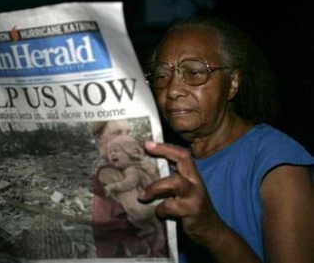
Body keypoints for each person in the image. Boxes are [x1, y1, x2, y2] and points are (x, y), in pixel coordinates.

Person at [139, 16, 314, 262]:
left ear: (232, 84)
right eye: (161, 76)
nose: (173, 89)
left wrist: (211, 231)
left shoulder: (276, 161)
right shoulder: (156, 160)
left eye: (194, 72)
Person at [91, 119, 166, 257]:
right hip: (125, 248)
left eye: (128, 132)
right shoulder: (108, 170)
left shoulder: (124, 164)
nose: (125, 137)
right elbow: (139, 211)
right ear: (99, 137)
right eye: (117, 132)